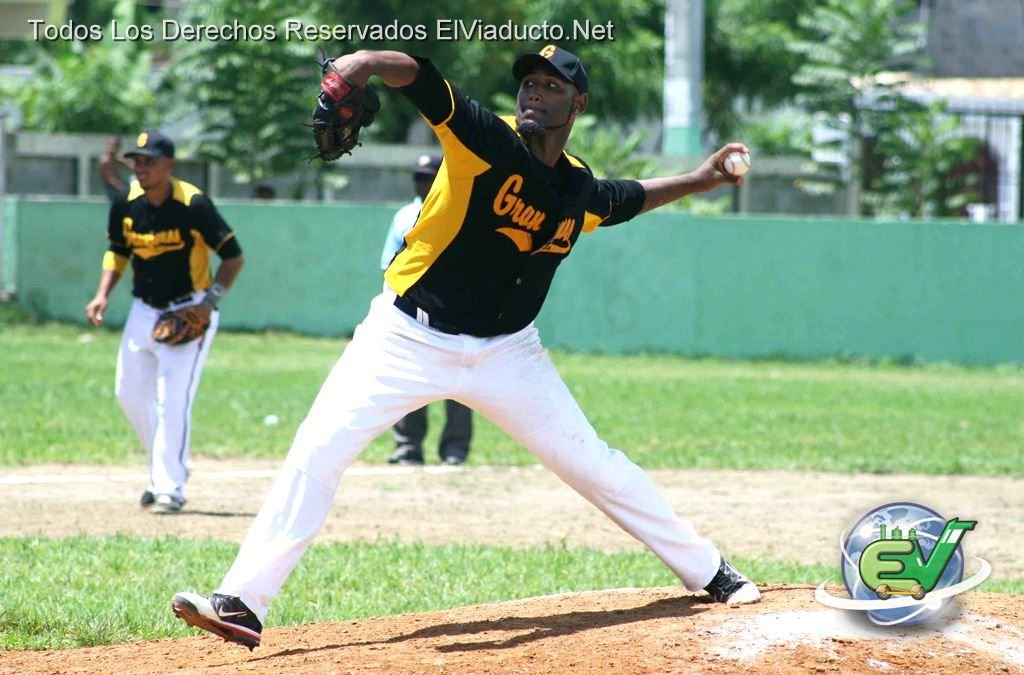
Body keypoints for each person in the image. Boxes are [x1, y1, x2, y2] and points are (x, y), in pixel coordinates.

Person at [171, 45, 758, 650]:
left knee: (593, 464)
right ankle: (241, 601)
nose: (535, 92)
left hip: (509, 355)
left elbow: (626, 199)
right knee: (318, 450)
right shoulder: (485, 138)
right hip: (406, 337)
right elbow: (422, 78)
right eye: (529, 82)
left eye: (552, 87)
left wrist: (704, 177)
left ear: (578, 103)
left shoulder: (576, 186)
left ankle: (709, 569)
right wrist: (366, 62)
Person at [85, 129, 245, 515]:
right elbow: (118, 251)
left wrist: (209, 305)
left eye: (149, 161)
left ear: (169, 165)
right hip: (143, 310)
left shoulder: (193, 204)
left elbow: (233, 257)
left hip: (188, 310)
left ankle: (169, 488)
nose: (141, 167)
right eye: (136, 161)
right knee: (129, 394)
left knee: (173, 401)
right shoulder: (126, 203)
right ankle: (164, 470)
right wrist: (103, 293)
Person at [382, 153, 473, 466]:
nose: (422, 182)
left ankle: (454, 450)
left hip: (456, 308)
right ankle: (408, 447)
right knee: (408, 379)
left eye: (428, 176)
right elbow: (388, 264)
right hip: (412, 310)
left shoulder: (464, 208)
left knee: (459, 383)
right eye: (418, 177)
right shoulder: (403, 216)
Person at [97, 136, 133, 202]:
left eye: (114, 145)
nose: (111, 147)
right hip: (112, 190)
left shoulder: (114, 158)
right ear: (107, 145)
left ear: (118, 147)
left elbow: (128, 164)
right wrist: (124, 189)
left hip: (118, 186)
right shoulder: (105, 161)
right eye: (110, 145)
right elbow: (110, 180)